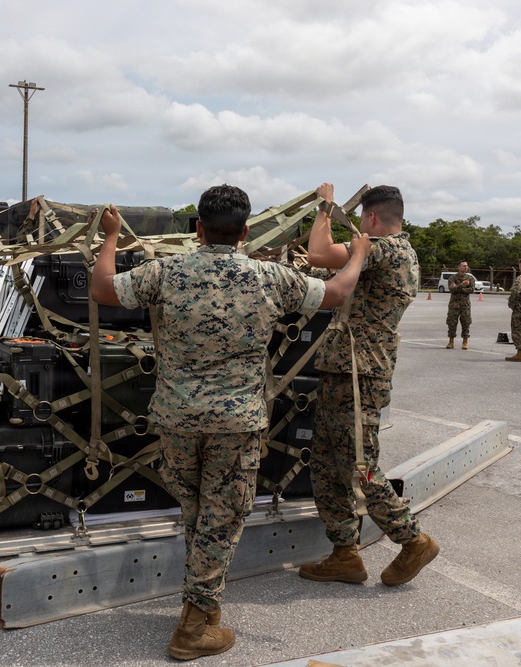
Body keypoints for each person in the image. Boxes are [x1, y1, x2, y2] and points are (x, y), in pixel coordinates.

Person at [90, 185, 372, 660]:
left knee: (200, 515)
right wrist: (359, 252)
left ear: (197, 229)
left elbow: (101, 288)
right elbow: (338, 292)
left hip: (176, 420)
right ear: (244, 232)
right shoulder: (268, 277)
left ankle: (205, 606)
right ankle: (194, 625)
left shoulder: (167, 270)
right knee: (221, 521)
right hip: (234, 424)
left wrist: (112, 237)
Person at [298, 183, 440, 588]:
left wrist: (325, 209)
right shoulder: (392, 251)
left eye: (361, 219)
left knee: (360, 467)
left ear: (372, 218)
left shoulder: (387, 249)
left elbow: (319, 254)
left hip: (359, 374)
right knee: (327, 465)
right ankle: (344, 553)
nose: (360, 228)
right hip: (346, 369)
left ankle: (412, 541)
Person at [445, 261, 476, 349]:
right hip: (454, 304)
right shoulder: (452, 277)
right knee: (452, 323)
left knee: (466, 322)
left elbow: (471, 290)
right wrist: (462, 285)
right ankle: (451, 341)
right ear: (458, 267)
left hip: (465, 305)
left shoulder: (470, 278)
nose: (466, 267)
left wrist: (458, 287)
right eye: (464, 266)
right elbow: (452, 290)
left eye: (467, 266)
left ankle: (465, 342)